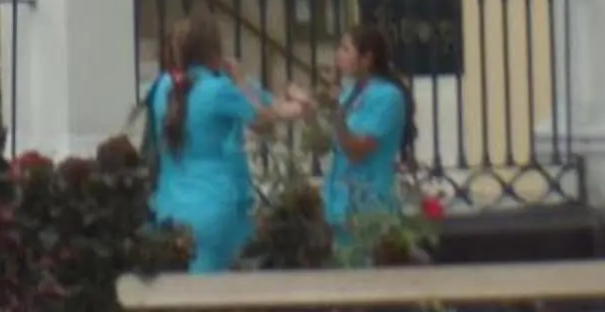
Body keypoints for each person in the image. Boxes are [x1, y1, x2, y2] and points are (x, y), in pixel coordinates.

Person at [146, 14, 308, 273]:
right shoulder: (218, 89)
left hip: (170, 204)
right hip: (214, 203)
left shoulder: (163, 86)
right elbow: (263, 120)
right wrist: (241, 81)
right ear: (214, 51)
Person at [324, 22, 412, 241]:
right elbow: (330, 144)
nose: (338, 55)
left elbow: (357, 150)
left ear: (367, 58)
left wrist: (336, 114)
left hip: (368, 203)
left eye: (346, 49)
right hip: (339, 203)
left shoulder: (386, 96)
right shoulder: (351, 92)